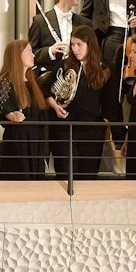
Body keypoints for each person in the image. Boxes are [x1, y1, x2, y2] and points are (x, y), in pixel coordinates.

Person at [0, 39, 53, 179]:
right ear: (17, 55)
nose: (33, 55)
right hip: (19, 140)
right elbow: (2, 106)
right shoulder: (6, 81)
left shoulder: (32, 82)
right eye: (29, 51)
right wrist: (12, 115)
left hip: (36, 140)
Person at [58, 26, 114, 180]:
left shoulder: (105, 68)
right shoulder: (66, 65)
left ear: (90, 44)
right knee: (65, 175)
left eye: (79, 44)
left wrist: (106, 124)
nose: (75, 49)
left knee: (88, 176)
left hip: (91, 130)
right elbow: (46, 90)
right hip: (66, 128)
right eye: (72, 44)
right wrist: (55, 106)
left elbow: (110, 102)